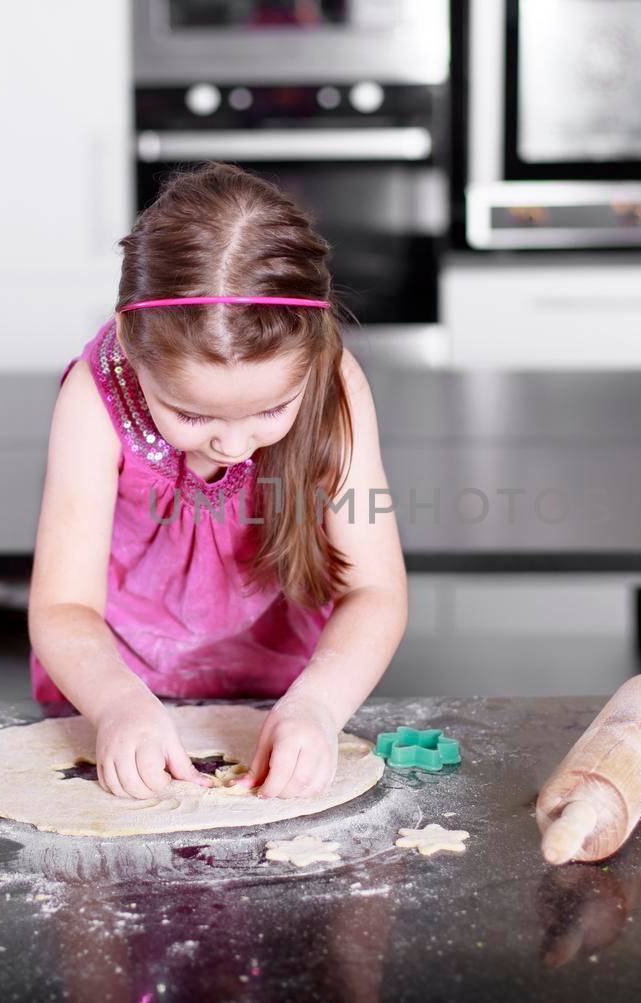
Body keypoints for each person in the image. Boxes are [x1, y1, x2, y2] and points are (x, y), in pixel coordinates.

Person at [28, 163, 407, 802]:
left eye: (269, 411)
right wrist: (117, 706)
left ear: (312, 355)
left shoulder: (335, 386)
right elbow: (64, 607)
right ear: (130, 343)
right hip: (117, 690)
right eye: (194, 414)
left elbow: (374, 589)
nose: (232, 446)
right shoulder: (95, 398)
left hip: (284, 693)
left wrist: (317, 707)